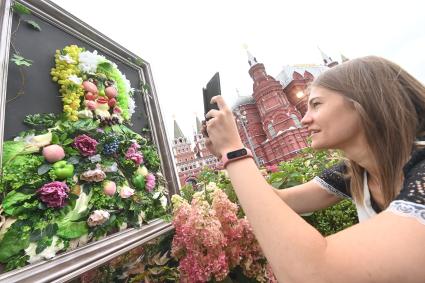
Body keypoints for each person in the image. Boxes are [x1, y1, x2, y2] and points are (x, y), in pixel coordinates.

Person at [203, 56, 425, 283]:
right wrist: (226, 154)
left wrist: (234, 151)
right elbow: (279, 200)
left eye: (316, 104)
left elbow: (311, 273)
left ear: (363, 102)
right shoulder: (357, 171)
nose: (303, 119)